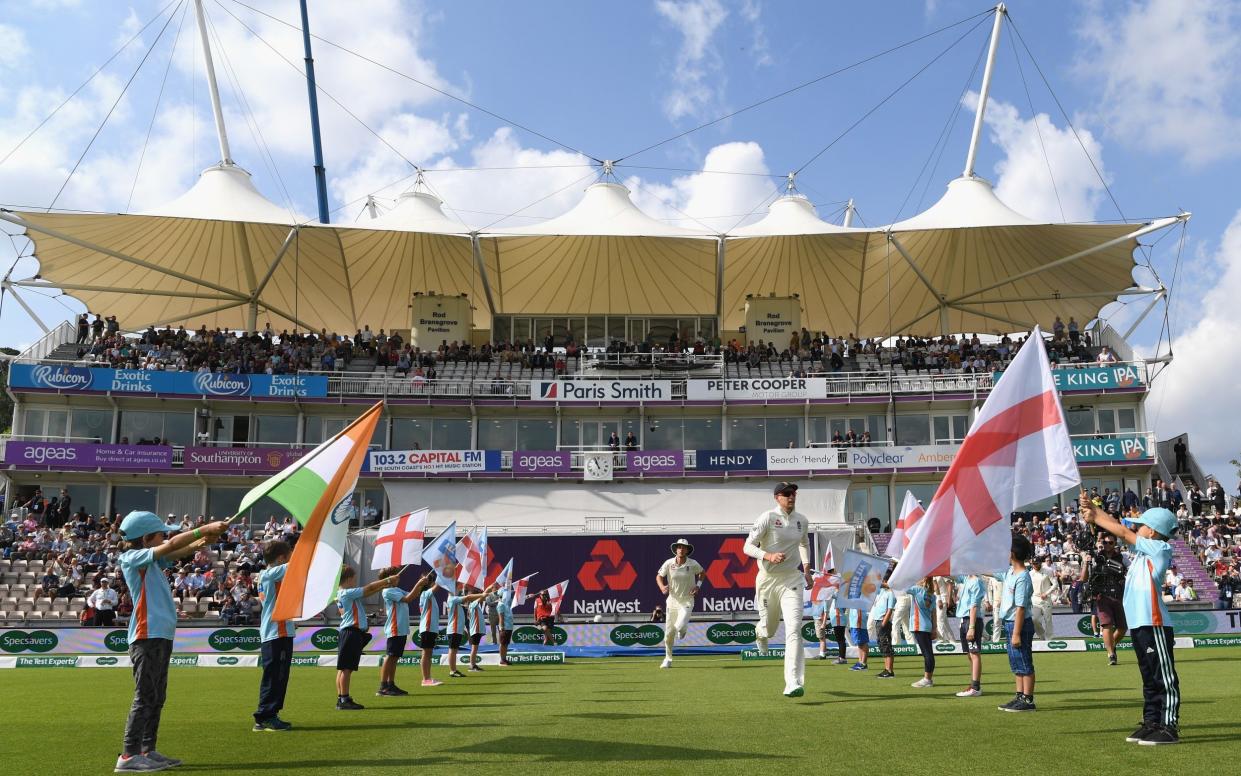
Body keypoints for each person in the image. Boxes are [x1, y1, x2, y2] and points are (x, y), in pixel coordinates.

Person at [115, 511, 227, 773]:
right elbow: (173, 545)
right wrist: (203, 529)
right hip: (147, 634)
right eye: (160, 534)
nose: (165, 537)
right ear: (146, 538)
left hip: (159, 634)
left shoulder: (150, 560)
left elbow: (176, 551)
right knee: (145, 696)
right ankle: (128, 756)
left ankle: (147, 750)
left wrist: (205, 539)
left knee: (156, 696)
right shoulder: (133, 558)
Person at [1079, 498, 1183, 745]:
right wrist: (1094, 511)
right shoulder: (1141, 553)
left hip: (1153, 622)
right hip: (1140, 624)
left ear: (1153, 532)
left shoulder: (1159, 549)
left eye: (1141, 525)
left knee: (1163, 677)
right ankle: (1152, 722)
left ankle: (1169, 726)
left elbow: (1123, 531)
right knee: (1149, 677)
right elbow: (1121, 528)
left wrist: (1095, 515)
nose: (1136, 529)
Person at [743, 481, 813, 697]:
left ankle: (792, 682)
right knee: (770, 628)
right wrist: (768, 556)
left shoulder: (802, 520)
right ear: (777, 497)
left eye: (793, 493)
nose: (791, 497)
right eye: (786, 494)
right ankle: (760, 633)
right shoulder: (767, 518)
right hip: (767, 579)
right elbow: (747, 546)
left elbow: (804, 543)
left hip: (792, 579)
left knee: (793, 630)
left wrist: (807, 568)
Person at [334, 566, 399, 710]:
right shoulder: (346, 593)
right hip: (351, 632)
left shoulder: (340, 593)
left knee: (343, 668)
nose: (355, 582)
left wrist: (385, 584)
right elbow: (368, 588)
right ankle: (344, 699)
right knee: (347, 669)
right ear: (349, 579)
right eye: (354, 579)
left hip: (348, 632)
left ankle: (342, 697)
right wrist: (387, 580)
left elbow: (369, 591)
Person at [253, 541, 295, 731]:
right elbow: (301, 563)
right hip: (276, 631)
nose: (292, 557)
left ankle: (269, 714)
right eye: (289, 554)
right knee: (275, 676)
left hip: (278, 631)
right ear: (281, 558)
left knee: (278, 676)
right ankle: (265, 715)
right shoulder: (271, 573)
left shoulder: (267, 574)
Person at [378, 570, 435, 696]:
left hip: (401, 628)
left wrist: (420, 584)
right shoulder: (388, 590)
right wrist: (419, 583)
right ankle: (383, 686)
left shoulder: (396, 589)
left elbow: (413, 594)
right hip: (395, 627)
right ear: (388, 578)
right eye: (395, 574)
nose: (398, 576)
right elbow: (408, 599)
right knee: (390, 656)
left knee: (395, 657)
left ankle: (391, 684)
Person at [998, 533, 1036, 712]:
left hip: (1018, 624)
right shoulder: (1010, 573)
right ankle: (1019, 695)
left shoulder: (1022, 577)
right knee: (1016, 662)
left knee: (1024, 661)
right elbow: (993, 572)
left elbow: (1020, 608)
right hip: (1009, 622)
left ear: (1012, 553)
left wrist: (1016, 633)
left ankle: (1028, 699)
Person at [656, 538, 705, 669]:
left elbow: (702, 573)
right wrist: (662, 587)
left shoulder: (693, 563)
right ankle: (668, 658)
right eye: (679, 547)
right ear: (676, 549)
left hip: (687, 600)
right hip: (672, 601)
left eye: (684, 547)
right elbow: (659, 576)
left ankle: (682, 629)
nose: (681, 549)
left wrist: (698, 586)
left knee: (680, 625)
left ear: (687, 550)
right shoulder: (668, 563)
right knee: (668, 634)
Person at [1082, 533, 1128, 665]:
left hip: (1118, 595)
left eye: (1111, 542)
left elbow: (1131, 571)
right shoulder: (1096, 557)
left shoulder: (1122, 557)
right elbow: (1084, 578)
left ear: (1115, 544)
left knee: (1122, 628)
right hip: (1101, 596)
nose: (1107, 545)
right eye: (1105, 542)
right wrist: (1086, 562)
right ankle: (1111, 654)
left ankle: (1111, 645)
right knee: (1107, 625)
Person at [446, 582, 496, 677]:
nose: (459, 590)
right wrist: (484, 593)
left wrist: (486, 591)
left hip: (457, 629)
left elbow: (470, 598)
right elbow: (469, 598)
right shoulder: (453, 599)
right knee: (453, 650)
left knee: (455, 650)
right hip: (455, 628)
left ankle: (457, 669)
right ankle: (454, 670)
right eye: (456, 589)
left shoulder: (457, 601)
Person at [954, 573, 986, 697]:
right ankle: (973, 684)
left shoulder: (976, 581)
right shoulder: (966, 578)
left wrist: (971, 627)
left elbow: (974, 606)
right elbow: (951, 575)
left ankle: (976, 687)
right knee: (970, 654)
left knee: (974, 653)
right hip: (964, 619)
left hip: (971, 621)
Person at [907, 576, 937, 688]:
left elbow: (901, 588)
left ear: (923, 579)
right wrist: (934, 628)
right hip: (927, 626)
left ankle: (927, 679)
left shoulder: (916, 589)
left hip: (919, 625)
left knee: (927, 654)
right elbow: (934, 613)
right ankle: (928, 678)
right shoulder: (932, 595)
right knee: (928, 653)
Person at [417, 581, 443, 686]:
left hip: (430, 628)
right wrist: (444, 574)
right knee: (426, 653)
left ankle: (428, 678)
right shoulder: (425, 593)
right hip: (427, 627)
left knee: (429, 653)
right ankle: (426, 679)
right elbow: (438, 586)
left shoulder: (428, 595)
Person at [872, 576, 897, 679]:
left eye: (883, 581)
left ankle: (890, 670)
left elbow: (890, 609)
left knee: (886, 646)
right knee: (882, 645)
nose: (881, 583)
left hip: (883, 622)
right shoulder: (881, 591)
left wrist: (884, 623)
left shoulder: (891, 593)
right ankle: (886, 669)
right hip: (878, 620)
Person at [1028, 557, 1055, 641]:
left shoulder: (1048, 571)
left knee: (1048, 620)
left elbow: (1055, 584)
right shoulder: (1030, 573)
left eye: (1036, 563)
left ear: (1040, 563)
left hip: (1046, 599)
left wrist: (1046, 593)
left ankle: (1049, 639)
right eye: (1033, 564)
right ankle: (1042, 635)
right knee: (1034, 619)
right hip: (1035, 599)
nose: (1035, 565)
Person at [496, 579, 516, 666]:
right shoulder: (501, 604)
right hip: (505, 627)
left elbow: (517, 600)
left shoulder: (507, 603)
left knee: (506, 644)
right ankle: (501, 660)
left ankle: (504, 658)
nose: (508, 595)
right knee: (503, 643)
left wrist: (527, 596)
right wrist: (501, 627)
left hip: (509, 626)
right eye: (506, 594)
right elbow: (501, 617)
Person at [847, 600, 870, 670]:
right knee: (859, 643)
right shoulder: (853, 594)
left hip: (858, 621)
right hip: (854, 620)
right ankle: (860, 662)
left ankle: (863, 663)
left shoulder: (860, 594)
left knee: (863, 642)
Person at [827, 595, 848, 664]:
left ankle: (842, 658)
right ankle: (841, 657)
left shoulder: (840, 595)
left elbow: (831, 594)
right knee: (840, 639)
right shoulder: (840, 596)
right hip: (838, 619)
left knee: (840, 639)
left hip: (838, 619)